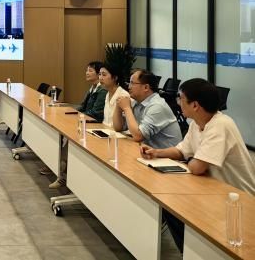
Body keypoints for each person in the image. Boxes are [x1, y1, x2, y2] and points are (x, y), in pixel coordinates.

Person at [140, 78, 255, 251]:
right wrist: (156, 152)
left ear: (195, 105)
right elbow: (182, 150)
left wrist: (191, 160)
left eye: (180, 98)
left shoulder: (221, 125)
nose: (178, 102)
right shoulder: (196, 123)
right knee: (170, 206)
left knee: (178, 209)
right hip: (213, 189)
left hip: (238, 199)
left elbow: (197, 167)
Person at [46, 61, 107, 187]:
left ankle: (62, 176)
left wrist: (75, 115)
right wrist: (68, 110)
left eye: (90, 70)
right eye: (87, 70)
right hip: (84, 122)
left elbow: (95, 113)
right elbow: (83, 106)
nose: (87, 73)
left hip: (93, 126)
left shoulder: (101, 90)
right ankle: (55, 167)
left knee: (69, 146)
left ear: (98, 74)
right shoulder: (93, 87)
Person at [113, 69, 182, 148]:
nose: (129, 87)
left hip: (165, 154)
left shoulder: (157, 106)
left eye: (132, 83)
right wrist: (118, 107)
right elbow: (118, 128)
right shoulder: (137, 102)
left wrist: (126, 108)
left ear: (146, 87)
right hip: (148, 151)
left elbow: (138, 136)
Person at [99, 63, 129, 128]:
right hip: (105, 129)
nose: (100, 78)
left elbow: (122, 126)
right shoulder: (108, 93)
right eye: (99, 74)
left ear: (115, 78)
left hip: (116, 132)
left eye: (104, 75)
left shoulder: (123, 95)